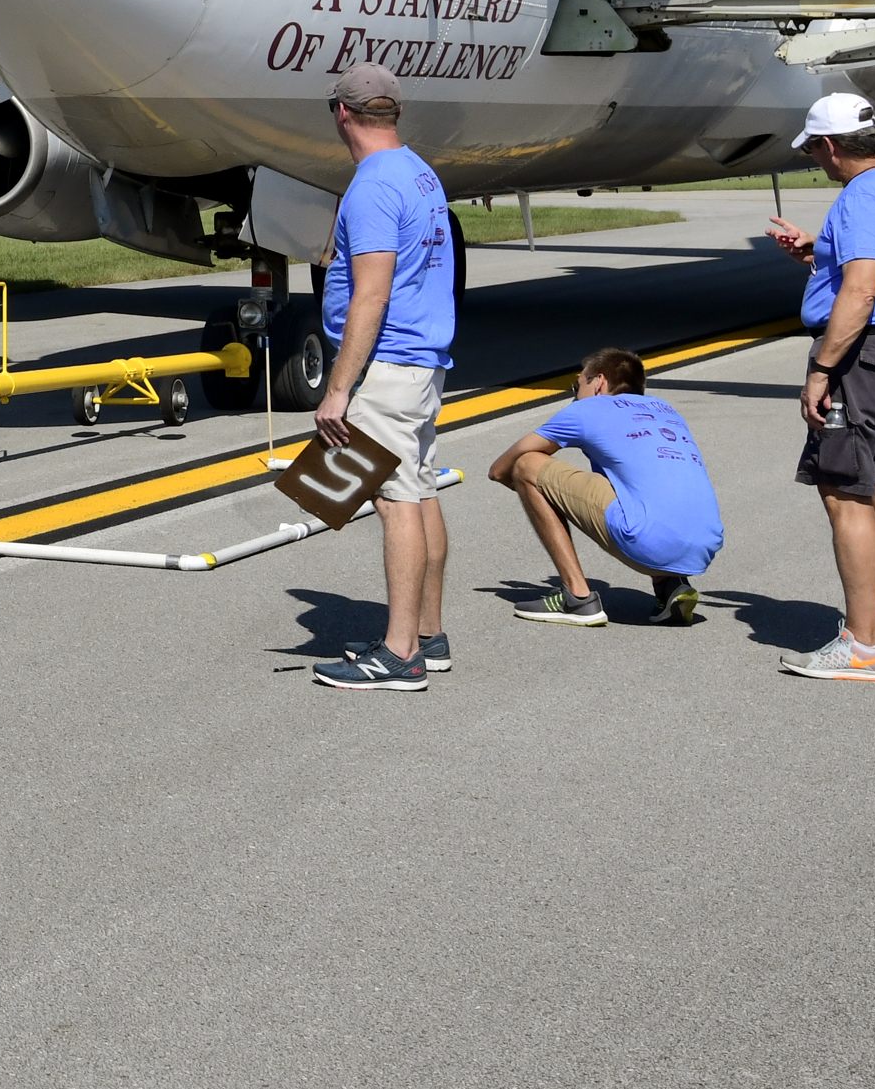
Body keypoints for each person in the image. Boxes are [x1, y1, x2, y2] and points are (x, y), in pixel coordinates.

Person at [767, 91, 875, 683]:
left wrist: (820, 368)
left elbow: (862, 291)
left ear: (832, 145)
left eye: (815, 148)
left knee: (844, 493)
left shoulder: (859, 195)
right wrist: (820, 253)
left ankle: (861, 644)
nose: (817, 158)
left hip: (862, 359)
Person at [304, 64, 458, 692]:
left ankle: (399, 656)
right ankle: (427, 635)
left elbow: (371, 294)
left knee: (393, 500)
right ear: (393, 113)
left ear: (342, 114)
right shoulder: (420, 171)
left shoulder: (370, 186)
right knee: (418, 491)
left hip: (387, 365)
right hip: (420, 360)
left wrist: (338, 388)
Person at [492, 349, 721, 628]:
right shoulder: (667, 410)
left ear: (599, 382)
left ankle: (576, 598)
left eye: (577, 385)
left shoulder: (586, 409)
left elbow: (500, 469)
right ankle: (671, 587)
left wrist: (546, 499)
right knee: (637, 484)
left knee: (527, 466)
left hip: (648, 542)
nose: (575, 394)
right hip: (703, 546)